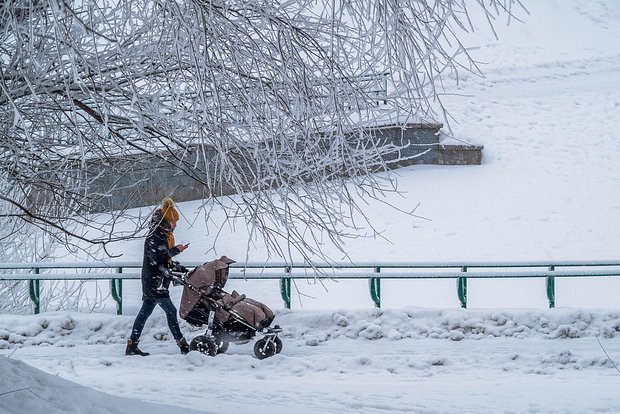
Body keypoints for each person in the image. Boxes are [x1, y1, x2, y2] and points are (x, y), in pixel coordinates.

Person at [125, 197, 191, 356]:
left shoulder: (162, 235)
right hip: (154, 282)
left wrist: (177, 267)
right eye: (173, 222)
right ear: (165, 222)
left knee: (145, 312)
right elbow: (158, 258)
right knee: (170, 311)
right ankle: (182, 345)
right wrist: (177, 250)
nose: (175, 225)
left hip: (156, 281)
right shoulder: (154, 236)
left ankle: (132, 345)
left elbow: (164, 258)